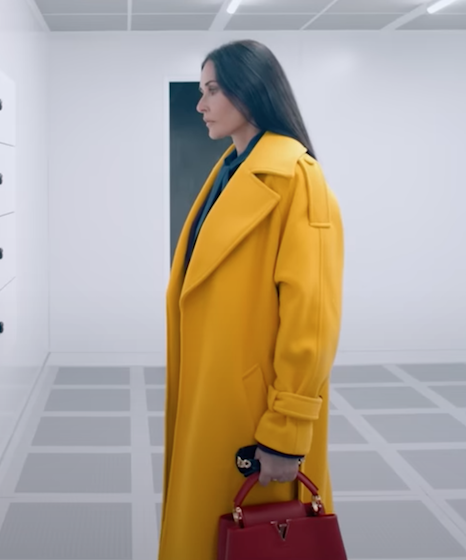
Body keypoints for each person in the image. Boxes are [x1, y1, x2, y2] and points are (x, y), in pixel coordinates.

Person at [158, 39, 344, 558]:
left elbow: (314, 314)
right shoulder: (227, 171)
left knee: (258, 539)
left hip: (254, 412)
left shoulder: (297, 179)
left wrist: (286, 430)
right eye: (201, 91)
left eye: (212, 90)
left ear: (252, 91)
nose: (201, 105)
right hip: (211, 394)